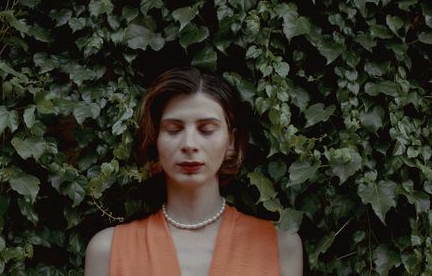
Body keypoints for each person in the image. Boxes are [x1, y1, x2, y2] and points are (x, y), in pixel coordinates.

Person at [85, 68, 303, 276]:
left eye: (206, 129)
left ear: (231, 142)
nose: (189, 144)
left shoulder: (280, 246)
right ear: (156, 141)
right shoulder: (108, 250)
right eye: (174, 129)